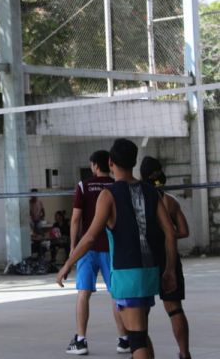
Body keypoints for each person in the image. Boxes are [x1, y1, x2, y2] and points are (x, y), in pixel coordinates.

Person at [57, 139, 177, 359]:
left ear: (111, 162)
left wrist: (68, 263)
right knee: (140, 333)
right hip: (150, 270)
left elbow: (90, 236)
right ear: (133, 162)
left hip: (127, 273)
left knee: (137, 338)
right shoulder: (151, 192)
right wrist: (169, 269)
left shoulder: (109, 195)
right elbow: (170, 232)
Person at [64, 150, 129, 355]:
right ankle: (124, 340)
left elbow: (75, 219)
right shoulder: (117, 186)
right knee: (116, 293)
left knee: (83, 293)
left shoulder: (84, 186)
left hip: (88, 247)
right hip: (112, 247)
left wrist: (73, 248)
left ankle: (81, 341)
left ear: (94, 165)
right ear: (108, 164)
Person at [140, 156, 191, 359]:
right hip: (170, 258)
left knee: (139, 315)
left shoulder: (137, 200)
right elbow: (184, 231)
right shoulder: (170, 201)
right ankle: (185, 353)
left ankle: (141, 353)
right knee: (175, 309)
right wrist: (167, 234)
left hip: (145, 260)